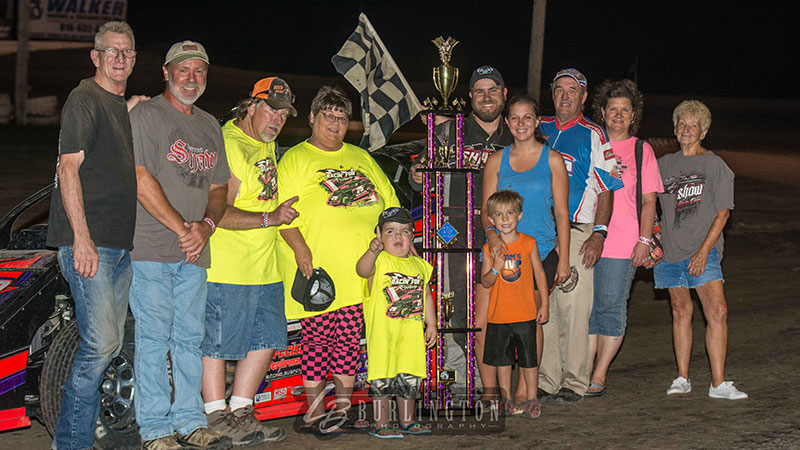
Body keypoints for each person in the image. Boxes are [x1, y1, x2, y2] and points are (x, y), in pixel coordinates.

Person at [275, 86, 400, 434]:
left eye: (342, 117)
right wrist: (302, 251)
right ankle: (314, 414)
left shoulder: (363, 159)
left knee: (347, 347)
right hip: (321, 277)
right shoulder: (296, 159)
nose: (335, 122)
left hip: (361, 274)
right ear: (312, 118)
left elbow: (391, 208)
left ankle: (342, 410)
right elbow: (283, 215)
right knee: (317, 347)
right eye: (327, 115)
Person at [128, 40, 231, 450]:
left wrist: (205, 226)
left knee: (190, 338)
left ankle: (190, 420)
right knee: (154, 337)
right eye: (183, 70)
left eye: (199, 71)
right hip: (151, 247)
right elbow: (140, 180)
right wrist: (182, 228)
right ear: (166, 73)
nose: (192, 78)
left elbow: (219, 188)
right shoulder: (147, 116)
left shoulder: (209, 125)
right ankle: (154, 428)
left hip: (194, 253)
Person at [46, 21, 140, 450]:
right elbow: (68, 168)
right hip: (92, 245)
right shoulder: (84, 98)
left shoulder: (116, 105)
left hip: (119, 247)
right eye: (111, 51)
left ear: (134, 59)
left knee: (110, 342)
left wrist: (133, 106)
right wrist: (80, 240)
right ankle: (70, 443)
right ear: (96, 56)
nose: (119, 58)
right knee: (100, 345)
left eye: (127, 52)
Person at [200, 77, 301, 446]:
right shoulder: (229, 144)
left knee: (267, 337)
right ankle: (214, 415)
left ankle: (242, 410)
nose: (277, 119)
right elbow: (217, 212)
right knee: (216, 343)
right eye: (271, 109)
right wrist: (268, 219)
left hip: (265, 266)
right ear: (250, 107)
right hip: (228, 266)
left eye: (284, 113)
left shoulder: (264, 143)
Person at [409, 65, 514, 402]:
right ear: (469, 97)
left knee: (507, 306)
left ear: (504, 94)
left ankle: (510, 378)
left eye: (493, 90)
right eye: (479, 91)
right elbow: (422, 175)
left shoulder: (517, 134)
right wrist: (417, 175)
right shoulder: (448, 131)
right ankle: (459, 377)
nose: (486, 96)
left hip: (505, 233)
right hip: (454, 231)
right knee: (455, 304)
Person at [537, 68, 623, 404]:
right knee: (545, 307)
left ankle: (574, 381)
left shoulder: (594, 134)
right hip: (541, 234)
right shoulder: (539, 127)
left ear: (584, 97)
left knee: (574, 306)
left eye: (572, 90)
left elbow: (607, 188)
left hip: (576, 231)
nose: (565, 96)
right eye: (559, 90)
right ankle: (546, 379)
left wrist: (599, 234)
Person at [481, 94, 570, 403]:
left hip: (541, 251)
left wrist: (564, 260)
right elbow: (485, 211)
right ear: (507, 122)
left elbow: (561, 213)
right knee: (505, 319)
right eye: (514, 118)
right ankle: (504, 389)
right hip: (505, 253)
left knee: (530, 318)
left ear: (537, 121)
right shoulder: (497, 160)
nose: (520, 124)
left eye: (527, 118)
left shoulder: (553, 159)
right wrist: (492, 237)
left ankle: (524, 388)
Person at [656, 100, 747, 400]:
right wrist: (651, 239)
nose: (686, 129)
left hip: (702, 251)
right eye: (681, 123)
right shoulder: (663, 165)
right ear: (674, 127)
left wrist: (702, 252)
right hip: (670, 253)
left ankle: (718, 383)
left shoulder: (715, 165)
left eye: (693, 125)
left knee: (717, 312)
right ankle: (682, 377)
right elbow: (644, 201)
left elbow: (723, 214)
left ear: (704, 131)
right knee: (680, 311)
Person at [584, 79, 663, 397]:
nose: (618, 114)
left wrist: (644, 241)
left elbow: (648, 201)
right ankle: (582, 371)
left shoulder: (642, 151)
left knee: (610, 307)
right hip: (586, 238)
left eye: (625, 110)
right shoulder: (590, 144)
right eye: (612, 108)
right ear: (602, 112)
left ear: (634, 115)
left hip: (623, 241)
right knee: (586, 309)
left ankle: (599, 373)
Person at [356, 207, 436, 439]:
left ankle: (408, 421)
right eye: (390, 231)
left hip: (410, 336)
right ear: (379, 235)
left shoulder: (420, 265)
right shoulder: (378, 261)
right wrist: (372, 251)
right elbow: (362, 270)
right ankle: (381, 423)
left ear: (412, 237)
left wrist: (431, 324)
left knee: (409, 379)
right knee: (383, 379)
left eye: (405, 231)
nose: (398, 236)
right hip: (383, 338)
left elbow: (427, 295)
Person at [480, 190, 549, 419]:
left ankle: (532, 398)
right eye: (499, 215)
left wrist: (544, 304)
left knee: (528, 360)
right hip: (499, 315)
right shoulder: (489, 249)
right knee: (502, 360)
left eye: (510, 213)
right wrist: (495, 268)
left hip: (525, 312)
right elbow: (485, 281)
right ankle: (506, 398)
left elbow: (539, 273)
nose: (505, 219)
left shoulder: (529, 243)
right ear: (491, 220)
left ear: (520, 215)